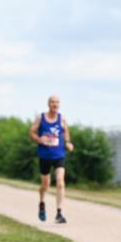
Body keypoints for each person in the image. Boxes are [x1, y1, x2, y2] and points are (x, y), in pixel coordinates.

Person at [29, 94, 73, 224]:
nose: (55, 104)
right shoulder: (41, 118)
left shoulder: (61, 119)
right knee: (45, 184)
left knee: (60, 182)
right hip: (44, 156)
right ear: (48, 104)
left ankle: (59, 213)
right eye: (53, 102)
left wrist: (68, 142)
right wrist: (39, 139)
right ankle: (42, 203)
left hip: (59, 155)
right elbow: (31, 132)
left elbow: (66, 131)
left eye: (57, 102)